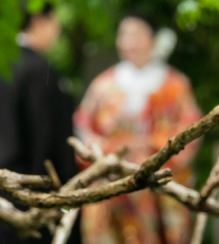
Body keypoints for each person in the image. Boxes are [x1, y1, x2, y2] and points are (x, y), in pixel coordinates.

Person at [74, 15, 202, 244]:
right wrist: (113, 152)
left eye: (135, 35)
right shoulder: (103, 86)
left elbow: (189, 132)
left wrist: (150, 149)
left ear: (152, 40)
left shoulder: (175, 85)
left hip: (159, 187)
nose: (127, 42)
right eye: (123, 35)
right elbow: (84, 129)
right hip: (112, 184)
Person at [0, 3, 81, 244]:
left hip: (3, 186)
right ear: (40, 20)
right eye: (55, 22)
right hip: (36, 190)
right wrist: (62, 193)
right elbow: (48, 139)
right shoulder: (40, 71)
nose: (57, 30)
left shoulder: (5, 66)